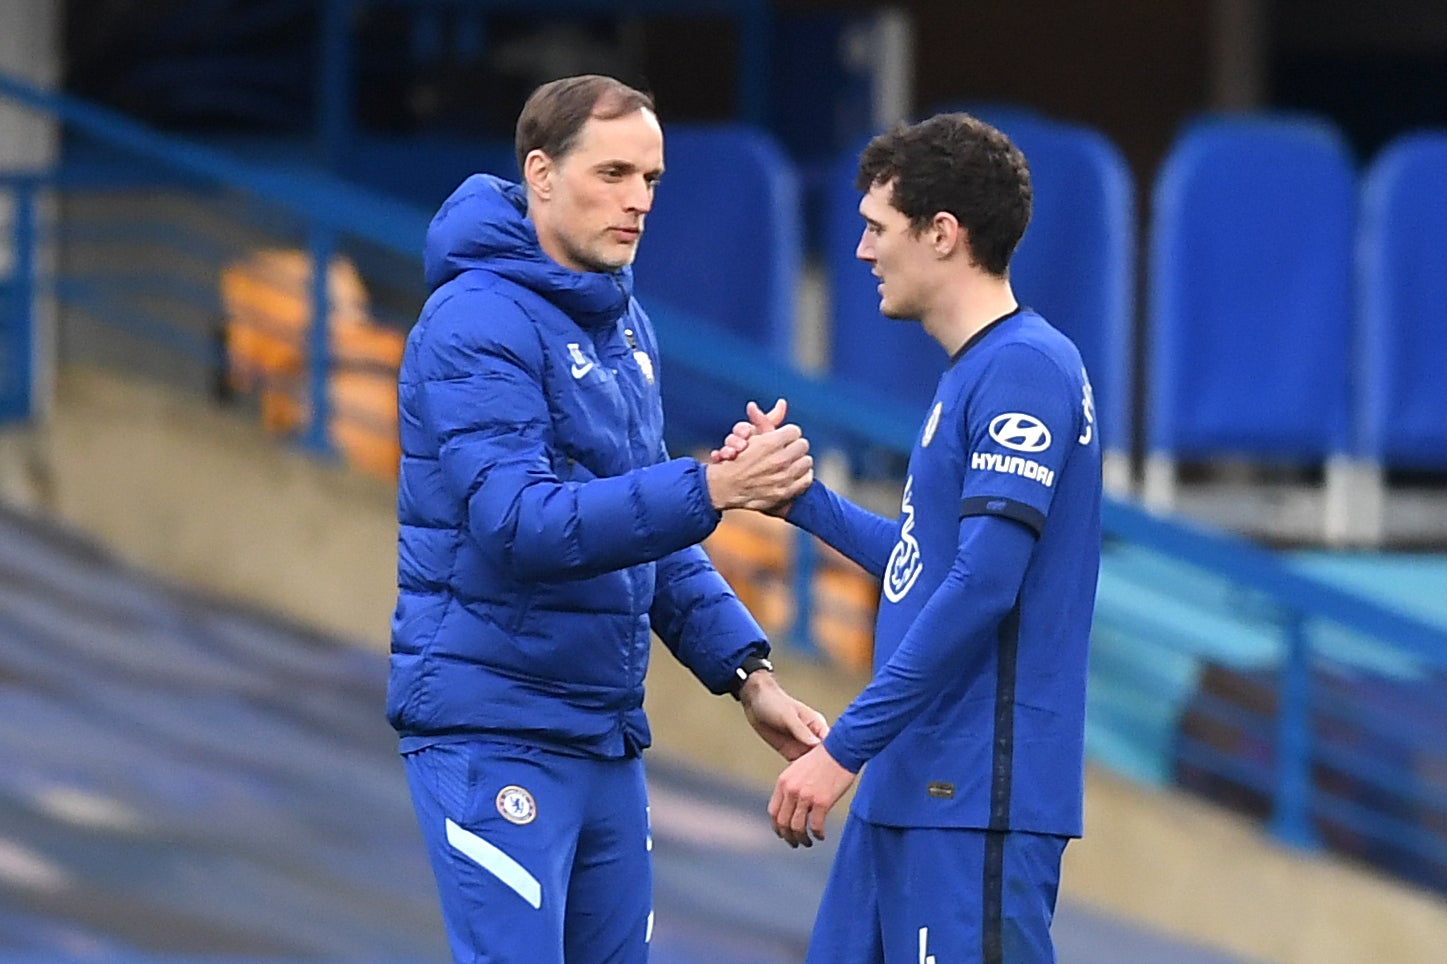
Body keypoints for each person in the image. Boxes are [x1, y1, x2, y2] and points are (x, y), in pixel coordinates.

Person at [386, 74, 828, 964]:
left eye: (652, 180)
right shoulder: (474, 320)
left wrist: (747, 674)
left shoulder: (623, 323)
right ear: (541, 174)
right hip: (496, 729)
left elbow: (639, 524)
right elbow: (521, 524)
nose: (637, 201)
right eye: (615, 172)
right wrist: (709, 488)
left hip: (601, 732)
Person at [716, 113, 1102, 962]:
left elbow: (984, 585)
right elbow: (930, 567)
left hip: (971, 801)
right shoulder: (974, 371)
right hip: (912, 791)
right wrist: (799, 501)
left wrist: (843, 750)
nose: (860, 252)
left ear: (941, 234)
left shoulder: (1025, 368)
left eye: (875, 228)